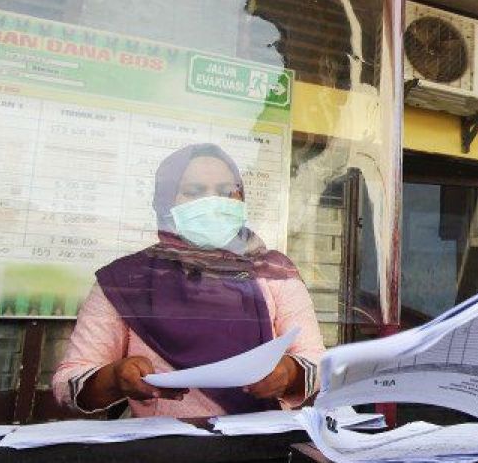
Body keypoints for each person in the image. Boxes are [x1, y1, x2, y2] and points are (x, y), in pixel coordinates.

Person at [53, 143, 325, 418]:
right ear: (166, 203)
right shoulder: (126, 280)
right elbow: (69, 381)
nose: (212, 202)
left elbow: (318, 363)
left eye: (226, 192)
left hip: (261, 447)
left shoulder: (273, 272)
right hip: (165, 453)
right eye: (194, 192)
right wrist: (114, 378)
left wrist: (290, 372)